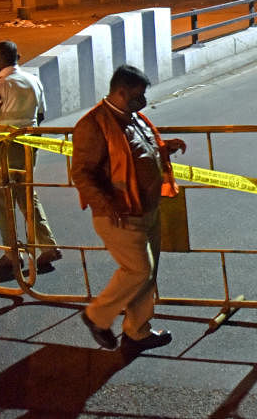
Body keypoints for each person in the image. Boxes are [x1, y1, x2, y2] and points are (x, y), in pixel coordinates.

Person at [70, 64, 185, 355]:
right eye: (138, 95)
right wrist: (105, 204)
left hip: (147, 209)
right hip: (119, 214)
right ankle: (96, 316)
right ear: (121, 92)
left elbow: (139, 152)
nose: (143, 100)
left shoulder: (134, 118)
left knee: (148, 274)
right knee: (138, 270)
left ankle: (137, 331)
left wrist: (164, 148)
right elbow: (82, 174)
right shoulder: (93, 125)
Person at [0, 40, 61, 277]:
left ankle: (12, 253)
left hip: (3, 149)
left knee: (3, 201)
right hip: (29, 145)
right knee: (26, 194)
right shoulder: (34, 80)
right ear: (19, 56)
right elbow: (42, 114)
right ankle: (47, 244)